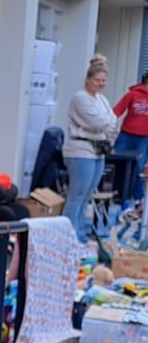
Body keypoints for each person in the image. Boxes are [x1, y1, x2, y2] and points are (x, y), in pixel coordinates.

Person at [62, 54, 118, 243]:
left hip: (97, 150)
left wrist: (107, 124)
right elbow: (97, 122)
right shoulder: (80, 98)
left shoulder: (101, 99)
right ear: (87, 80)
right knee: (76, 194)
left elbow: (112, 120)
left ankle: (81, 233)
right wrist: (106, 124)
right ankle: (69, 234)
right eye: (97, 80)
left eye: (103, 80)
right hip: (80, 150)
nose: (100, 84)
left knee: (87, 195)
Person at [113, 71, 148, 200]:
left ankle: (138, 199)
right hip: (126, 135)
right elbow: (116, 112)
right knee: (117, 164)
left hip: (144, 138)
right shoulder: (132, 94)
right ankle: (116, 195)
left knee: (138, 168)